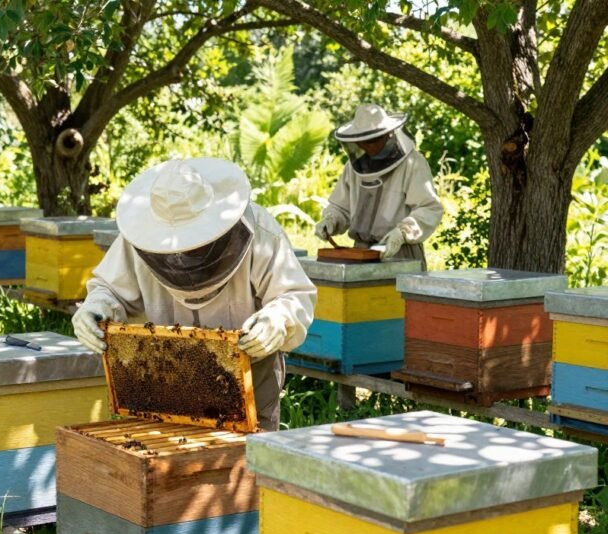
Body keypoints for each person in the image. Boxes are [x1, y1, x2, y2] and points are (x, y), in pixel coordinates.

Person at [72, 158, 316, 431]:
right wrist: (95, 308)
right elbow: (110, 289)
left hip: (249, 373)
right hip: (168, 379)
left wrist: (277, 320)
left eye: (198, 246)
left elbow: (293, 295)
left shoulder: (260, 231)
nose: (185, 258)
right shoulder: (139, 237)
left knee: (249, 465)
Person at [314, 104, 444, 268]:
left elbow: (429, 207)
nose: (370, 146)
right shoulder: (354, 167)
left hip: (401, 253)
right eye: (364, 142)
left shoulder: (413, 163)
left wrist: (403, 233)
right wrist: (330, 220)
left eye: (374, 140)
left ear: (388, 134)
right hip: (361, 253)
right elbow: (342, 207)